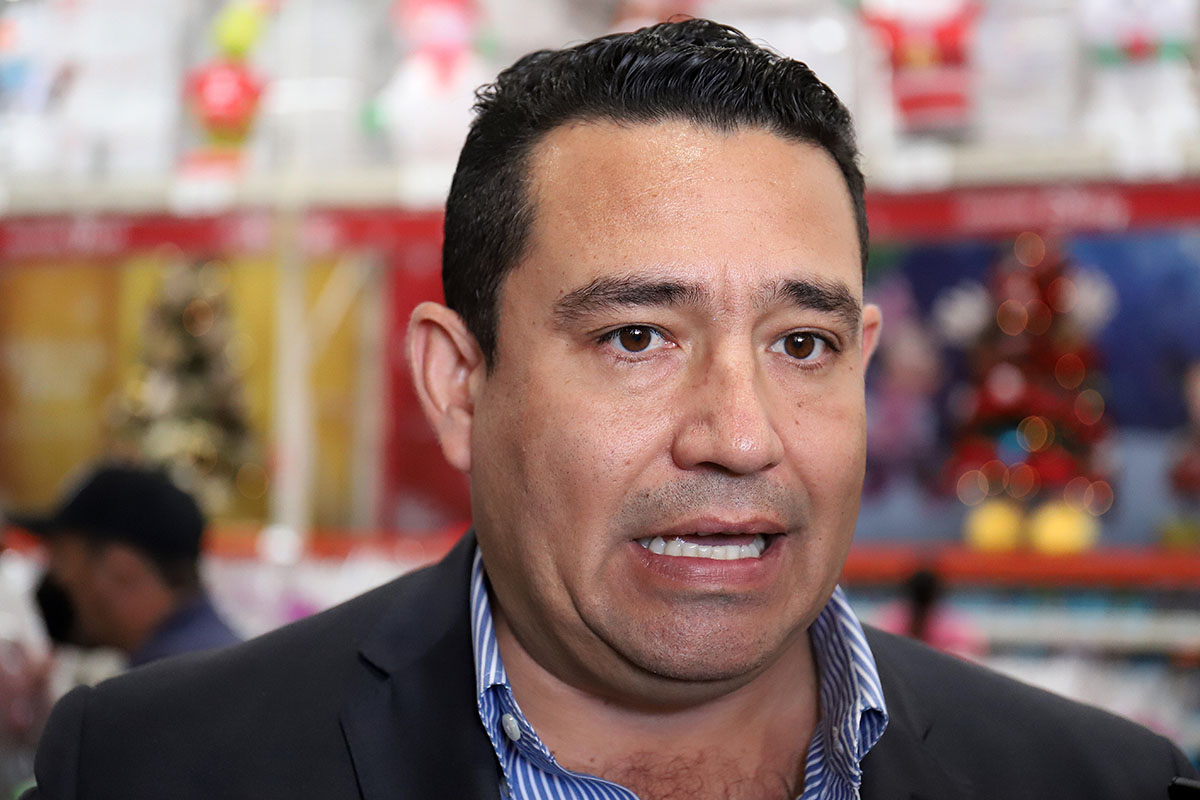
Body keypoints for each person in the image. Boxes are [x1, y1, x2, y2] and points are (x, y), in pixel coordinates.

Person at [23, 19, 1196, 800]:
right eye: (637, 337)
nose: (740, 435)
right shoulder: (151, 769)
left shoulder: (1100, 782)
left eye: (802, 343)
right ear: (459, 382)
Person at [10, 464, 241, 669]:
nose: (54, 576)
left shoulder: (166, 687)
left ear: (122, 568)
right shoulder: (212, 662)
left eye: (61, 557)